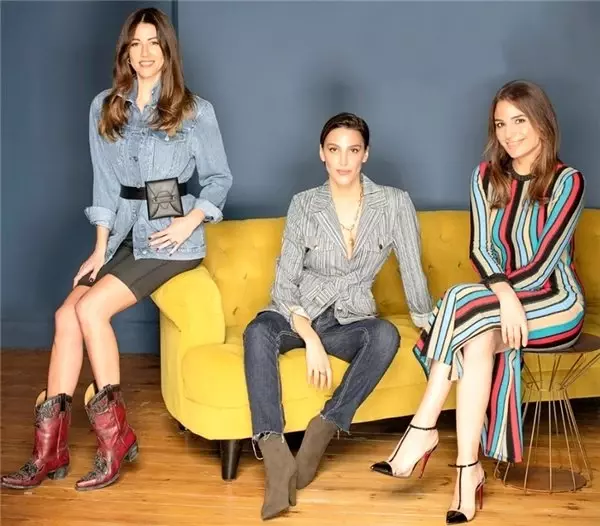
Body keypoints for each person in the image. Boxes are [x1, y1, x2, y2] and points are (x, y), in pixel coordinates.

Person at [1, 7, 233, 491]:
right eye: (136, 43)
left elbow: (218, 179)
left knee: (91, 310)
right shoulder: (105, 106)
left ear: (167, 51)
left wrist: (189, 221)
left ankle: (115, 441)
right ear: (125, 52)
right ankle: (48, 452)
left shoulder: (195, 109)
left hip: (171, 237)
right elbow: (105, 186)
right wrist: (99, 248)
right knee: (66, 315)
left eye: (154, 43)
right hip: (126, 231)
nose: (145, 53)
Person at [371, 80, 585, 524]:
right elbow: (481, 249)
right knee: (477, 339)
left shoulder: (568, 182)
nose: (509, 133)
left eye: (519, 121)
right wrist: (504, 296)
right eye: (500, 124)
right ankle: (467, 472)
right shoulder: (485, 176)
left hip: (555, 301)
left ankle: (422, 429)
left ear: (542, 122)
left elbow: (544, 262)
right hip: (497, 301)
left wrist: (505, 296)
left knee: (457, 299)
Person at [243, 112, 433, 520]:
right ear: (322, 154)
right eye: (334, 150)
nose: (343, 160)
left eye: (352, 150)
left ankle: (324, 428)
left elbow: (412, 268)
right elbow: (284, 285)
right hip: (300, 313)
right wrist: (309, 337)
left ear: (366, 154)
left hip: (349, 318)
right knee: (257, 330)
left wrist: (429, 321)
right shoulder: (304, 204)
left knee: (385, 335)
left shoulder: (394, 203)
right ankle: (275, 456)